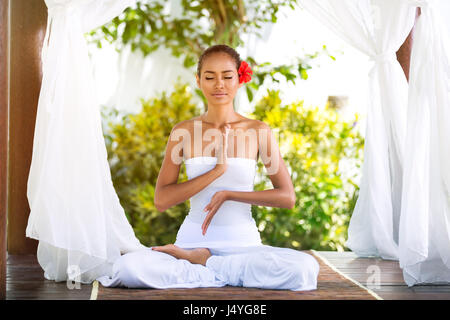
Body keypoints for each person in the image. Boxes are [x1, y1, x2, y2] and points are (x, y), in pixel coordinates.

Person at [96, 44, 320, 291]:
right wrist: (216, 171)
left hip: (244, 247)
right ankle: (213, 266)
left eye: (227, 76)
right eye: (210, 77)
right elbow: (162, 200)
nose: (219, 84)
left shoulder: (258, 131)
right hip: (191, 243)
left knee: (305, 270)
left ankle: (205, 265)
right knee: (128, 269)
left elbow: (287, 197)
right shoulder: (183, 132)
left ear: (239, 79)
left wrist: (229, 194)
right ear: (199, 81)